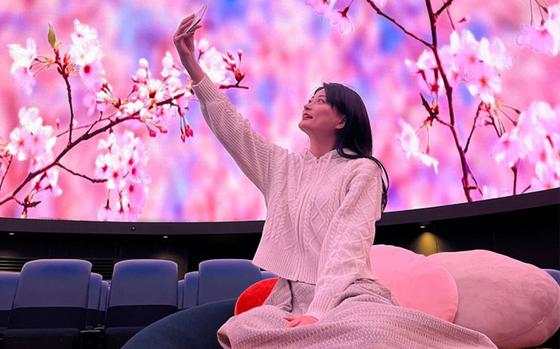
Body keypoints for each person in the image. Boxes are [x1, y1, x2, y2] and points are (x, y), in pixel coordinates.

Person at [124, 11, 498, 349]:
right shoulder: (282, 167)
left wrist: (319, 314)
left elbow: (346, 245)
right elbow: (232, 127)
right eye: (310, 97)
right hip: (287, 300)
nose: (309, 103)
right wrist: (192, 65)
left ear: (341, 119)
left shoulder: (362, 172)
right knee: (243, 332)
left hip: (350, 298)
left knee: (370, 335)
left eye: (320, 99)